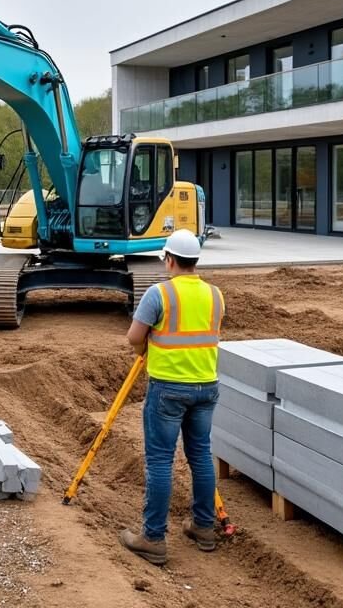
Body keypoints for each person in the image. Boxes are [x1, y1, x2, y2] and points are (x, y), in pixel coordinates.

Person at [119, 228, 224, 566]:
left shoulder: (159, 294)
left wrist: (143, 349)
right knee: (201, 456)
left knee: (160, 461)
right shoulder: (215, 295)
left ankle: (152, 538)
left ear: (170, 259)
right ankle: (204, 528)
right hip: (206, 386)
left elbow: (134, 336)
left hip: (168, 388)